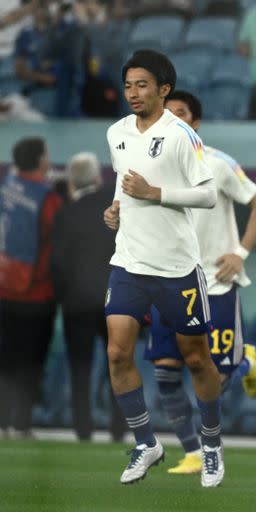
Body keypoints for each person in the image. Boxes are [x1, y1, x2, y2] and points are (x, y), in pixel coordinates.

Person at [102, 49, 223, 487]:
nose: (134, 93)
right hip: (129, 262)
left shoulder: (180, 135)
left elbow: (207, 194)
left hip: (176, 267)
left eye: (143, 85)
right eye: (129, 85)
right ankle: (146, 442)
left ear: (163, 89)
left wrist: (156, 193)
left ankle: (210, 445)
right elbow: (124, 180)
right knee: (118, 352)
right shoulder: (116, 132)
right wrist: (116, 208)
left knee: (195, 358)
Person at [143, 89, 256, 475]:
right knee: (165, 372)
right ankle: (194, 451)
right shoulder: (150, 165)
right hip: (168, 283)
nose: (174, 120)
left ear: (195, 123)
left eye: (181, 114)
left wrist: (241, 253)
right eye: (168, 114)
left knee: (215, 373)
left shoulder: (217, 164)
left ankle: (244, 361)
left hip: (214, 284)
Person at [51, 151, 126, 442]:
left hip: (77, 303)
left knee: (80, 370)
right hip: (115, 301)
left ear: (71, 181)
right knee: (119, 368)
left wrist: (63, 299)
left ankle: (83, 432)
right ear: (98, 177)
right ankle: (119, 430)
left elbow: (57, 263)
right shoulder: (114, 206)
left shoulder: (65, 213)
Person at [0, 136, 63, 439]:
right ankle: (22, 424)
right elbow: (56, 242)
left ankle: (2, 421)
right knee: (30, 362)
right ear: (40, 160)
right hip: (36, 294)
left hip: (3, 288)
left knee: (6, 359)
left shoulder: (5, 189)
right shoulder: (48, 198)